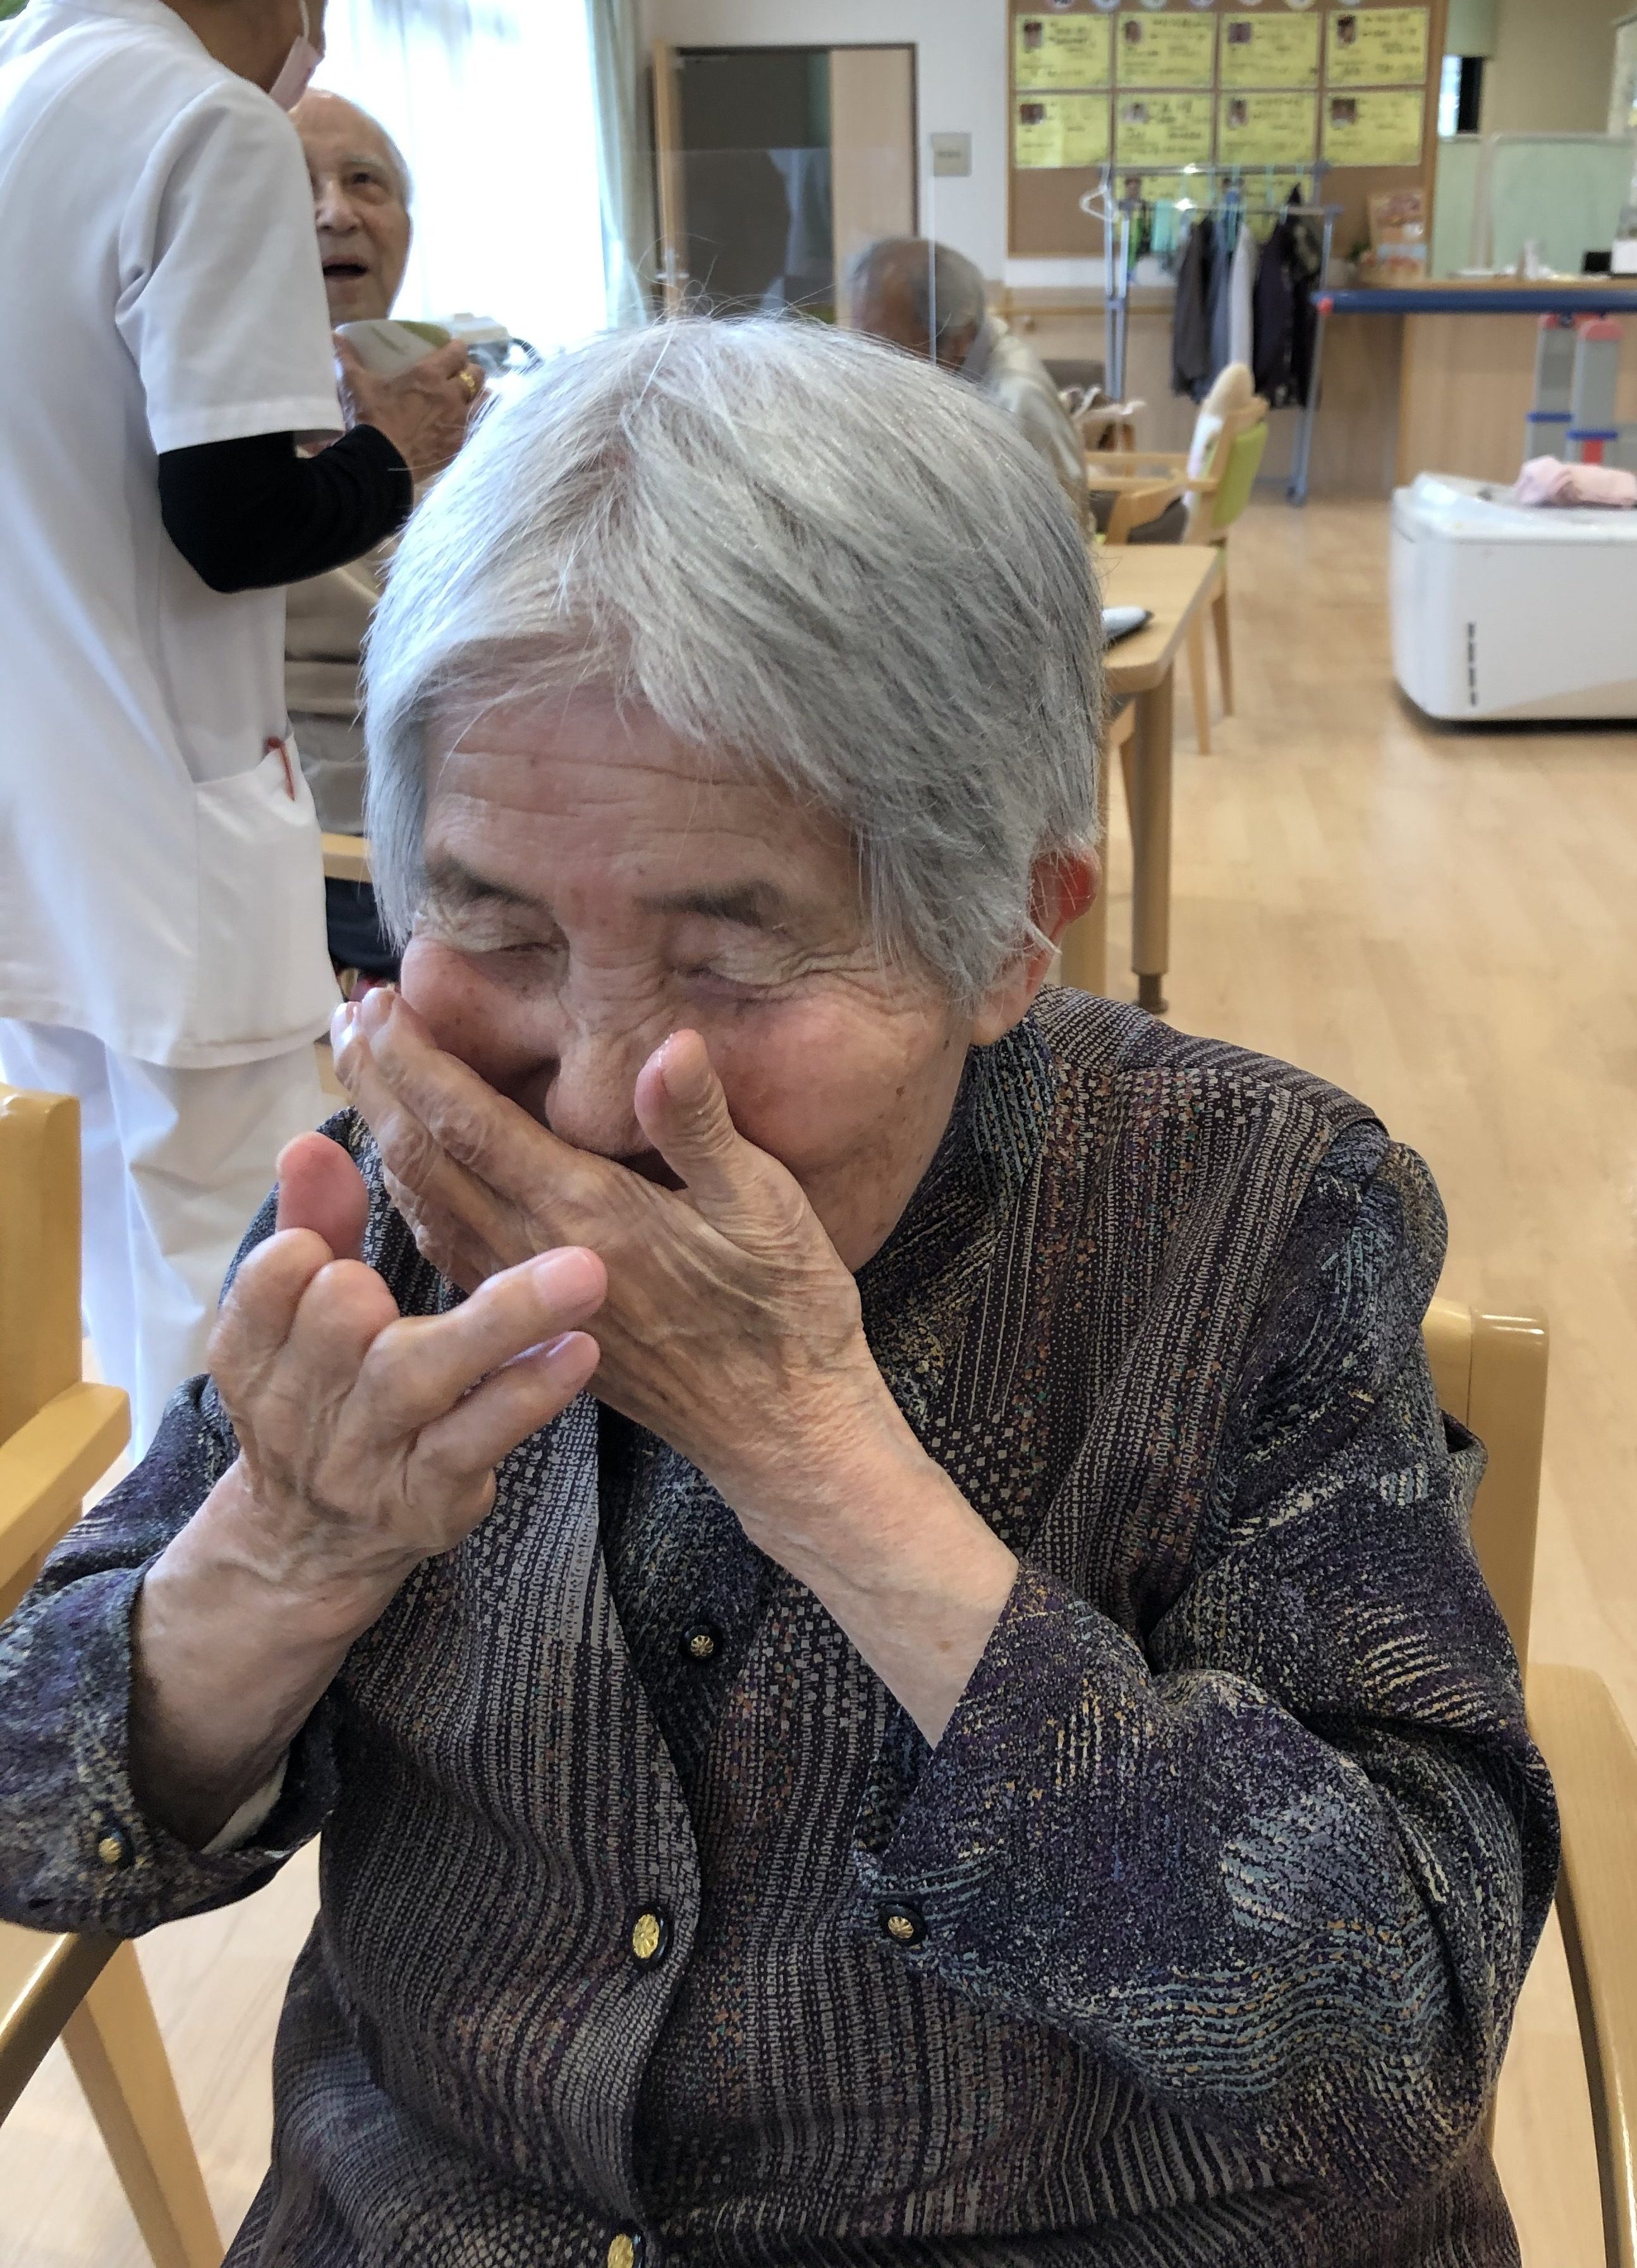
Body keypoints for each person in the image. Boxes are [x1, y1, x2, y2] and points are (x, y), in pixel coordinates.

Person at [0, 321, 1555, 2267]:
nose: (586, 1091)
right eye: (492, 919)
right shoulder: (395, 1186)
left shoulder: (1256, 1213)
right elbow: (35, 1808)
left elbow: (1393, 2029)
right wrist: (283, 1554)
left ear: (1010, 933)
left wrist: (819, 1462)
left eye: (730, 957)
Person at [0, 0, 480, 1452]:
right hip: (172, 827)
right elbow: (235, 522)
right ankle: (233, 1554)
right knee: (241, 1254)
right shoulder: (206, 122)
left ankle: (133, 1548)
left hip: (41, 808)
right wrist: (397, 452)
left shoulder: (22, 91)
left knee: (101, 1238)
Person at [285, 87, 422, 987]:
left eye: (364, 181)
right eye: (297, 186)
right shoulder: (207, 437)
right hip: (321, 834)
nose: (337, 212)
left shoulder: (468, 402)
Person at [846, 235, 1090, 526]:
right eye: (861, 340)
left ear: (958, 341)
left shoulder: (1016, 400)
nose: (870, 361)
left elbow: (1058, 534)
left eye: (888, 346)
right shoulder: (938, 363)